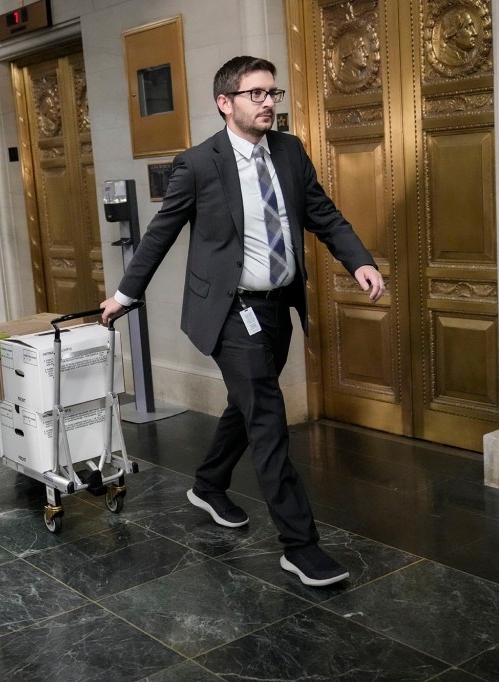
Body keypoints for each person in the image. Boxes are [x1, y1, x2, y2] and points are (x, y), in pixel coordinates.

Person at [100, 56, 385, 588]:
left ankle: (208, 483)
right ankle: (300, 546)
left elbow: (321, 212)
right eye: (256, 94)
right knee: (268, 420)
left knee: (248, 401)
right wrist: (124, 295)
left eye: (273, 93)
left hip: (277, 305)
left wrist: (359, 259)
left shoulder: (291, 151)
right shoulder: (198, 164)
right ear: (224, 102)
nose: (268, 103)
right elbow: (161, 233)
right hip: (230, 310)